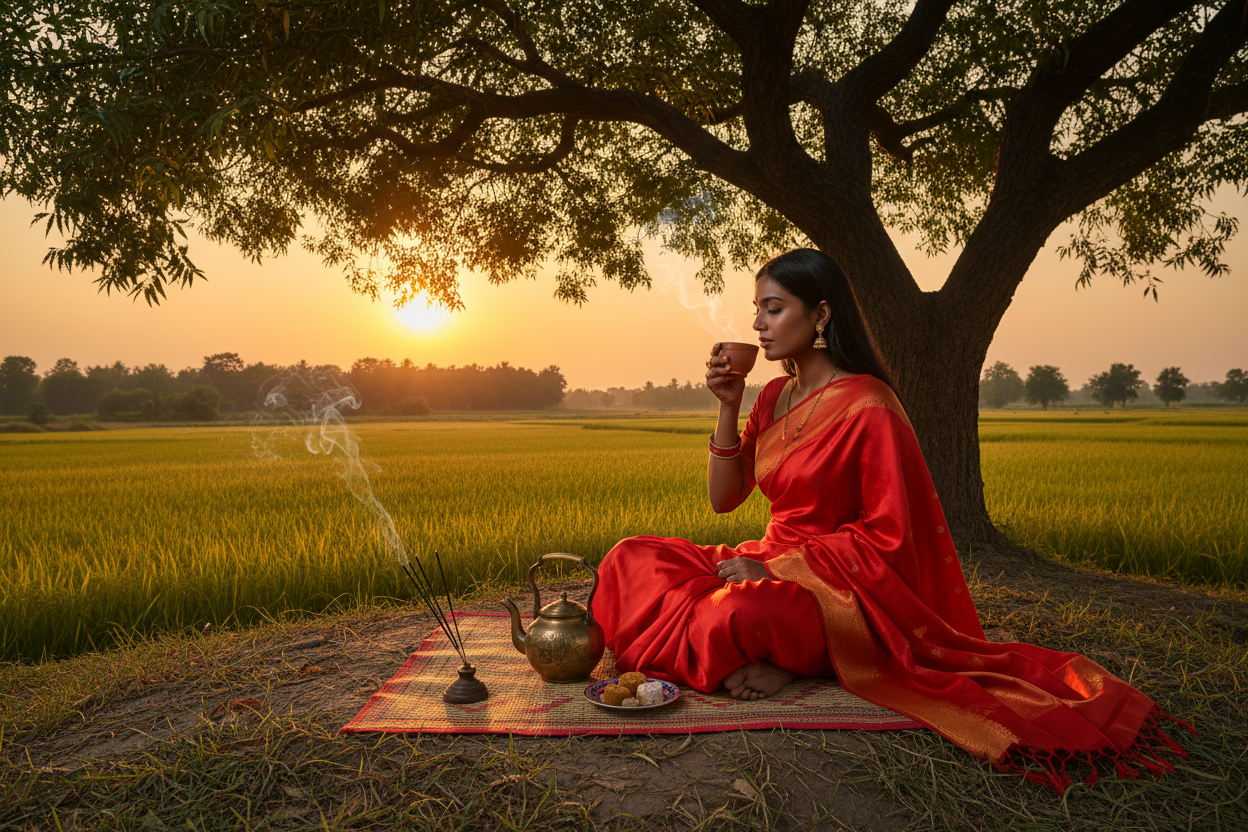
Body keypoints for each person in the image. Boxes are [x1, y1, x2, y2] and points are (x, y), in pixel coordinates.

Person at [595, 248, 1192, 793]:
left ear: (821, 314)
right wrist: (728, 408)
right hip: (766, 556)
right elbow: (725, 501)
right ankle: (770, 657)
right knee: (630, 558)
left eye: (773, 309)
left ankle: (794, 659)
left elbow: (889, 538)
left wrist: (780, 568)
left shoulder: (869, 404)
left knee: (739, 609)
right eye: (757, 311)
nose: (757, 325)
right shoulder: (773, 398)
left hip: (829, 588)